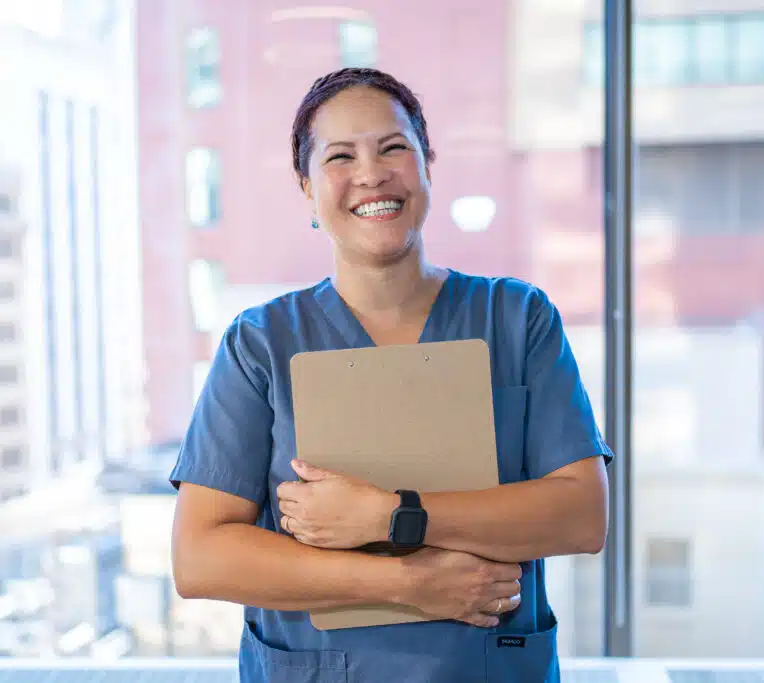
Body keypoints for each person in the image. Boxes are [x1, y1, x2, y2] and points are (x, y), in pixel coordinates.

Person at [169, 67, 612, 683]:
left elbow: (583, 516)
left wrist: (392, 517)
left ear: (428, 162)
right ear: (307, 188)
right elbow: (199, 557)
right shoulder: (261, 344)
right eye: (341, 156)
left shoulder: (517, 319)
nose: (371, 174)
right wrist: (409, 583)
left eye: (394, 148)